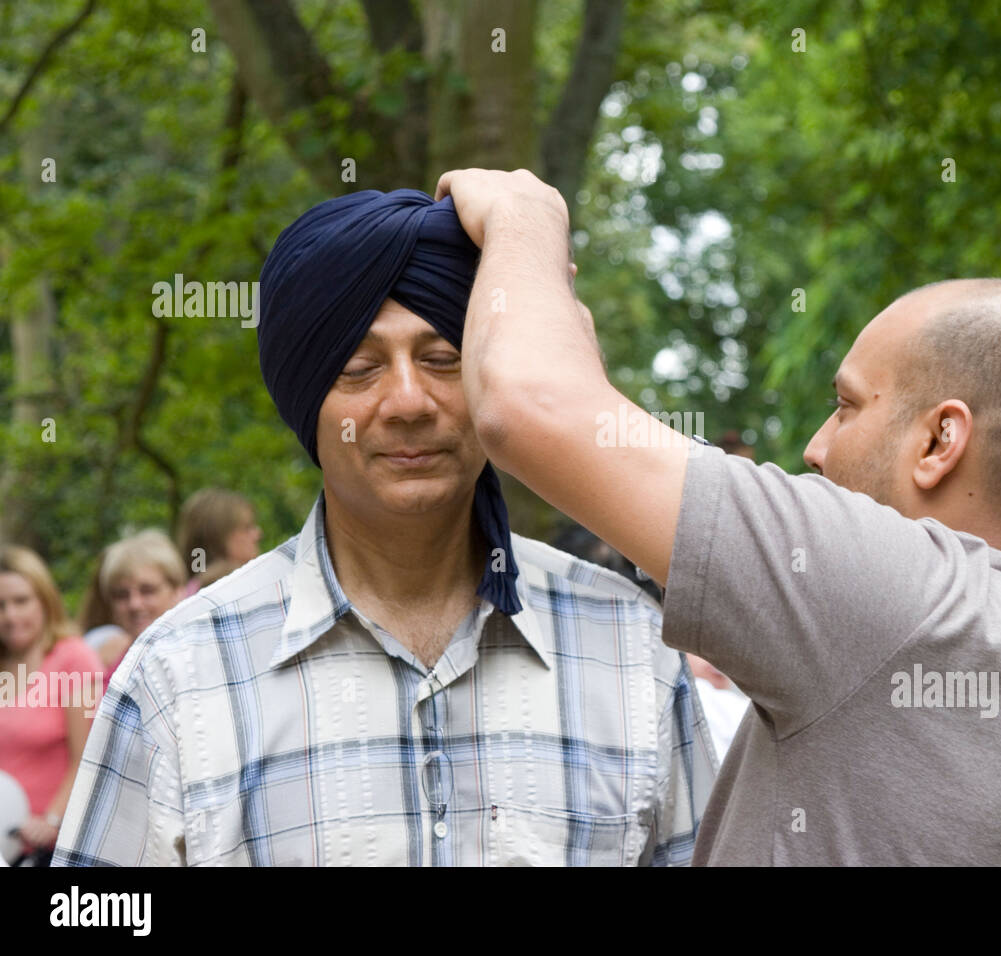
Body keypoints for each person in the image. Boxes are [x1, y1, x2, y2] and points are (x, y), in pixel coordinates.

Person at [433, 167, 1001, 864]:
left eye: (847, 405)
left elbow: (527, 405)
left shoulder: (904, 598)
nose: (816, 447)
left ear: (939, 440)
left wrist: (525, 216)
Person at [53, 189, 714, 867]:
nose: (406, 402)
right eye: (359, 368)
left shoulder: (632, 648)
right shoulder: (180, 676)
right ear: (307, 397)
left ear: (491, 379)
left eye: (442, 358)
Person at [0, 547, 102, 865]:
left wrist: (51, 820)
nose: (10, 616)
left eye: (21, 601)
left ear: (44, 599)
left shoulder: (74, 658)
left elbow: (87, 758)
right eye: (0, 605)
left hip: (50, 847)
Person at [94, 530, 186, 684]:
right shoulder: (111, 668)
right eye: (121, 595)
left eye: (147, 590)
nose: (134, 604)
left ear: (177, 592)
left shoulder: (197, 655)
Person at [175, 488, 262, 595]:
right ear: (218, 536)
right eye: (247, 527)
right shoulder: (235, 588)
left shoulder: (184, 592)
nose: (257, 534)